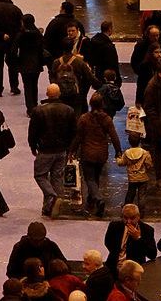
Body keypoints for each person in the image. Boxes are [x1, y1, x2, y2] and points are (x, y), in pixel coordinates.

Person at [28, 84, 76, 218]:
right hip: (62, 150)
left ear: (47, 94)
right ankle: (49, 208)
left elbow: (32, 132)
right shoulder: (69, 110)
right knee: (56, 178)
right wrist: (71, 149)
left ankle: (52, 196)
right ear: (59, 94)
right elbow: (74, 132)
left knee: (40, 175)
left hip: (45, 150)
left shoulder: (38, 111)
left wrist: (32, 146)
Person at [73, 93, 121, 218]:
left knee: (89, 178)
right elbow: (114, 136)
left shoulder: (84, 118)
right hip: (101, 154)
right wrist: (118, 151)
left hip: (88, 153)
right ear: (102, 104)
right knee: (96, 177)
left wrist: (72, 151)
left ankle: (98, 199)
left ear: (90, 104)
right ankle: (91, 200)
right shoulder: (107, 119)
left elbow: (78, 137)